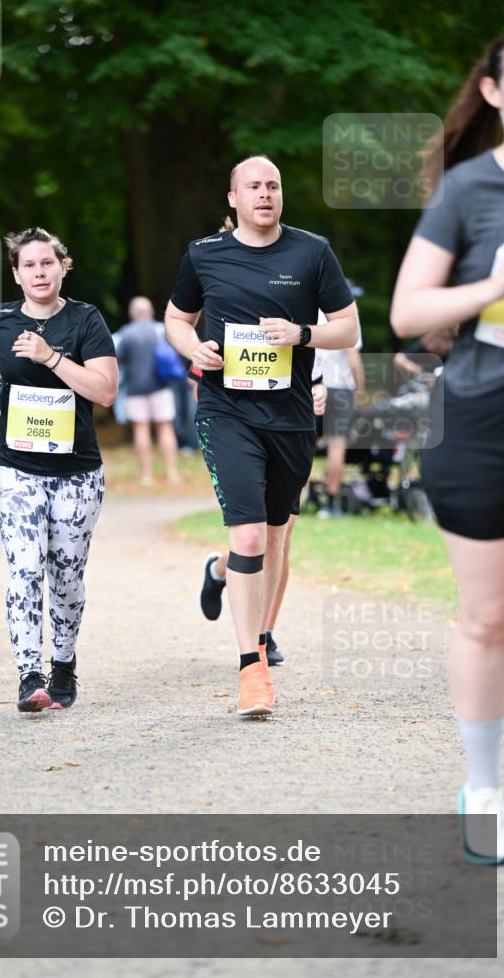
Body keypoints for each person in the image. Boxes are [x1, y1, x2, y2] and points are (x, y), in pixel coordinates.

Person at [165, 155, 359, 717]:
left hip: (292, 415)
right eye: (253, 186)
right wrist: (191, 348)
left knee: (276, 537)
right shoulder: (205, 254)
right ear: (233, 199)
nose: (265, 194)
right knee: (249, 535)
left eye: (273, 185)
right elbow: (177, 319)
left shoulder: (311, 251)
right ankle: (252, 668)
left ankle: (221, 575)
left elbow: (348, 327)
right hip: (226, 411)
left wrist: (303, 333)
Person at [391, 29, 504, 864]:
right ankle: (481, 792)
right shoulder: (469, 190)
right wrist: (493, 286)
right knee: (490, 616)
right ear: (497, 93)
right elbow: (406, 314)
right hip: (485, 420)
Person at [0, 226, 118, 713]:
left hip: (76, 470)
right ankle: (29, 674)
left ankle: (64, 663)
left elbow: (105, 390)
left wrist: (50, 356)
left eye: (47, 263)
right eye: (29, 265)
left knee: (67, 575)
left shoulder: (85, 319)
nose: (39, 272)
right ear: (16, 274)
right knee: (25, 566)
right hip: (13, 467)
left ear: (62, 266)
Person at [200, 377, 327, 665]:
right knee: (252, 537)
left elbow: (324, 370)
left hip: (291, 426)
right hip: (239, 425)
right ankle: (221, 573)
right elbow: (200, 375)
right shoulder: (232, 330)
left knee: (276, 537)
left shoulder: (313, 331)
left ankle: (265, 630)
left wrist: (320, 390)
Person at [116, 296, 181, 486]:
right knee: (165, 428)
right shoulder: (161, 330)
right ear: (151, 312)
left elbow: (118, 360)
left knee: (141, 429)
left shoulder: (125, 334)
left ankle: (147, 475)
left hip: (135, 390)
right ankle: (172, 473)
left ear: (131, 314)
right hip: (161, 387)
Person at [317, 317, 364, 518]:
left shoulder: (312, 310)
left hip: (315, 385)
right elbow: (353, 356)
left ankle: (293, 500)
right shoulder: (347, 317)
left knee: (303, 444)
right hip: (340, 388)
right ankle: (330, 502)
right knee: (337, 445)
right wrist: (360, 387)